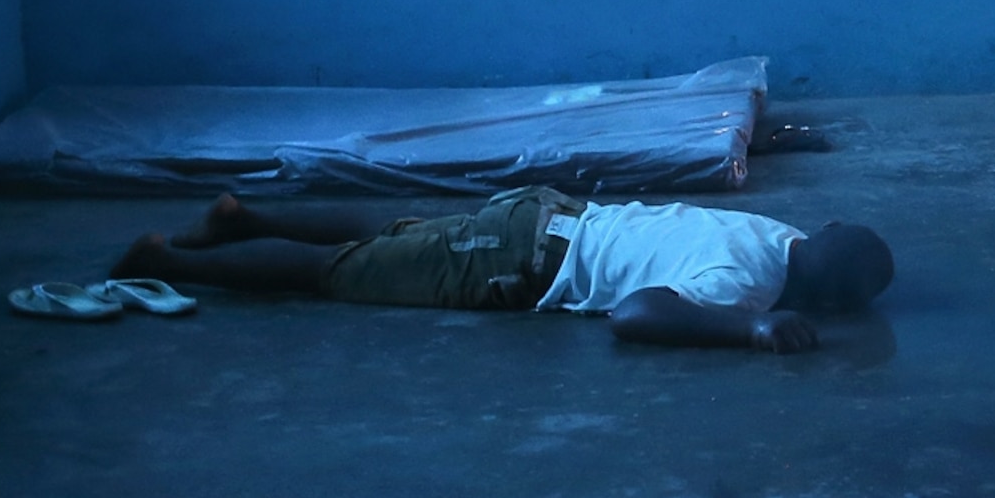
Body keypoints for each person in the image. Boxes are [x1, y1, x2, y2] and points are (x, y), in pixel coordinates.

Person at [111, 189, 894, 354]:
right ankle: (167, 259)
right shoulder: (745, 284)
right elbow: (637, 315)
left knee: (393, 232)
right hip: (527, 260)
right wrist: (749, 329)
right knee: (338, 270)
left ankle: (242, 220)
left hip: (553, 215)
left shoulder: (778, 234)